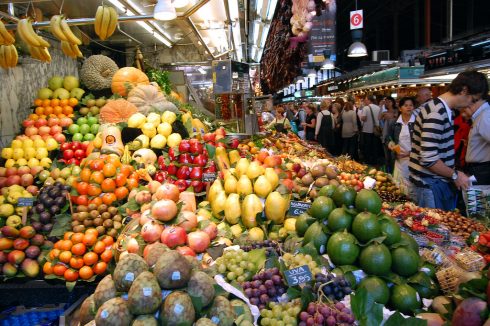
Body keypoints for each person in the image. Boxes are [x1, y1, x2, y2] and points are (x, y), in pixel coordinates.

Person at [409, 70, 489, 210]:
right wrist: (455, 175)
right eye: (473, 99)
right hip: (431, 185)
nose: (470, 104)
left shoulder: (441, 109)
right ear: (464, 91)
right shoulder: (437, 112)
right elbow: (428, 158)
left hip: (432, 184)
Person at [388, 97, 416, 199]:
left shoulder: (417, 123)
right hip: (399, 160)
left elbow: (421, 144)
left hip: (413, 160)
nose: (409, 107)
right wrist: (390, 144)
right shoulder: (395, 123)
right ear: (400, 108)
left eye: (411, 105)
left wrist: (409, 153)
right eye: (406, 105)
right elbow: (388, 138)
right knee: (399, 187)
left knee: (412, 188)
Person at [465, 98, 490, 188]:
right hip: (479, 170)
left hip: (482, 170)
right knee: (477, 200)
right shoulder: (483, 115)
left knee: (479, 201)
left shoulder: (485, 115)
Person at [360, 95, 381, 165]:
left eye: (366, 99)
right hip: (376, 130)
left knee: (367, 146)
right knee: (375, 146)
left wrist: (361, 117)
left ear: (369, 100)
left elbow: (364, 118)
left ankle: (367, 161)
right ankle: (375, 161)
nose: (365, 101)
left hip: (367, 130)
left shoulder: (366, 108)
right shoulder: (378, 107)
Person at [380, 97, 397, 173]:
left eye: (389, 101)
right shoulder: (385, 112)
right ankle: (388, 174)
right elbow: (379, 117)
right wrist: (381, 107)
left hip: (394, 138)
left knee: (393, 158)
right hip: (385, 137)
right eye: (386, 102)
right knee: (387, 158)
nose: (387, 103)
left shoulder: (397, 112)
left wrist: (393, 116)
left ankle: (393, 173)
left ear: (392, 102)